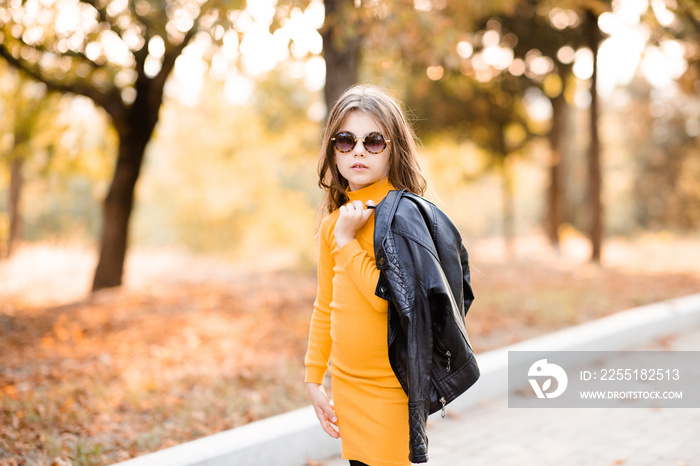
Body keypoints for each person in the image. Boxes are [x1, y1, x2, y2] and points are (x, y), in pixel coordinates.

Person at [304, 84, 427, 466]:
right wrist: (313, 377)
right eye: (346, 140)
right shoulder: (332, 225)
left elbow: (383, 297)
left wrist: (347, 241)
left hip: (392, 387)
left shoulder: (400, 217)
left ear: (394, 151)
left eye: (374, 141)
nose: (358, 150)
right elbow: (326, 304)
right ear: (333, 151)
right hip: (348, 386)